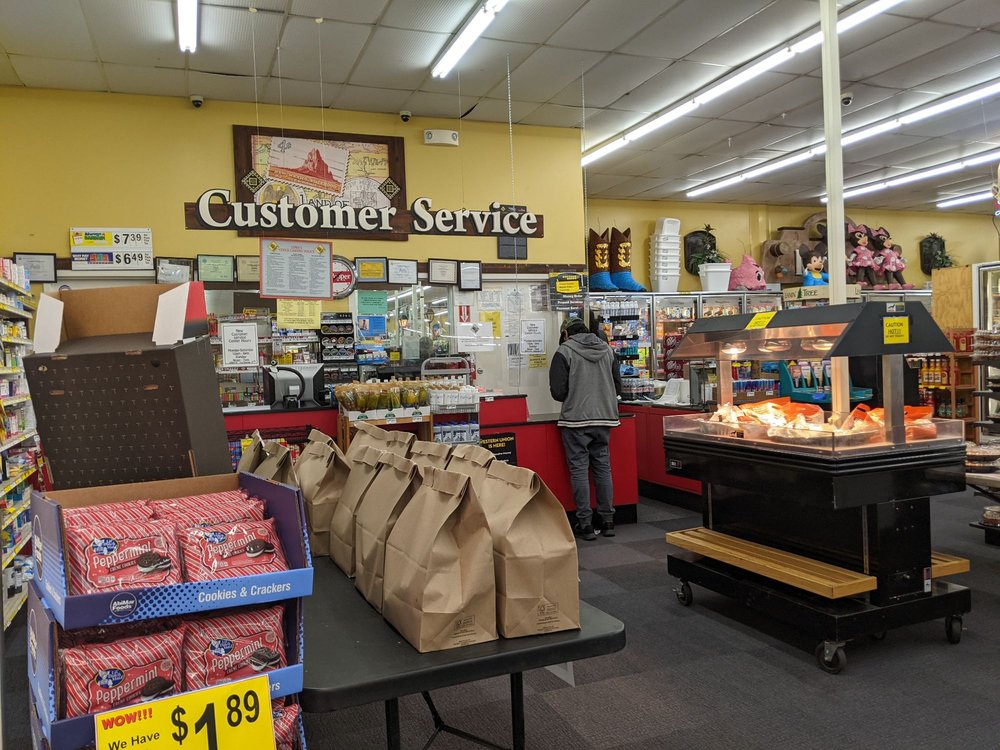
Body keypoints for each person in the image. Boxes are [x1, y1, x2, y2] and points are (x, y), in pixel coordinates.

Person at [549, 317, 622, 541]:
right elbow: (618, 386)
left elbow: (558, 392)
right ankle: (608, 521)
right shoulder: (608, 351)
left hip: (576, 420)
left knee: (579, 469)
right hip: (605, 418)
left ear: (565, 334)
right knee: (603, 467)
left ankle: (586, 524)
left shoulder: (564, 351)